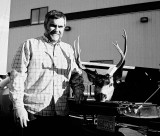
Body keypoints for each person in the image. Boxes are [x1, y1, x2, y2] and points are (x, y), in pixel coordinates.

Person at [9, 9, 85, 136]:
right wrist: (18, 107)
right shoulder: (30, 45)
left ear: (64, 27)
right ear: (45, 25)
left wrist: (78, 91)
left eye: (60, 26)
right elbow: (17, 77)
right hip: (33, 114)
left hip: (61, 114)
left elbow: (76, 74)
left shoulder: (68, 50)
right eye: (53, 25)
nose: (57, 29)